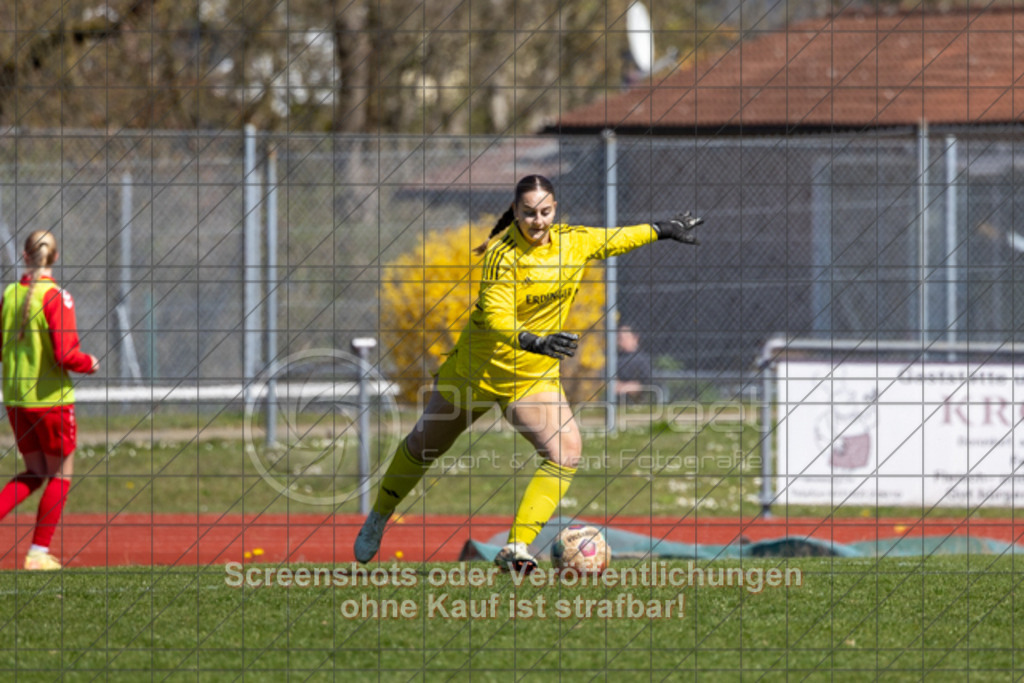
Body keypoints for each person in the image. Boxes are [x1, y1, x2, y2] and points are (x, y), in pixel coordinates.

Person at [355, 175, 702, 572]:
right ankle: (380, 515)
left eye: (545, 212)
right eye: (528, 213)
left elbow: (615, 238)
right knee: (423, 446)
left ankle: (516, 547)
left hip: (531, 380)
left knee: (565, 452)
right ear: (515, 212)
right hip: (477, 373)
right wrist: (534, 341)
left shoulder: (573, 241)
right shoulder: (502, 254)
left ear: (555, 210)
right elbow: (498, 317)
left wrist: (662, 230)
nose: (538, 221)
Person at [0, 230, 99, 570]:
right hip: (50, 401)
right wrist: (90, 363)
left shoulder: (10, 294)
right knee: (59, 475)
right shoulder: (57, 297)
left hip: (15, 399)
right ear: (55, 258)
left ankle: (38, 553)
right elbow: (66, 354)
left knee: (35, 471)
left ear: (25, 257)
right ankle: (38, 554)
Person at [615, 324, 654, 400]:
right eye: (619, 338)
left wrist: (626, 387)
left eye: (625, 337)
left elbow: (646, 383)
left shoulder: (642, 360)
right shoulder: (615, 359)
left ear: (635, 338)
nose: (620, 341)